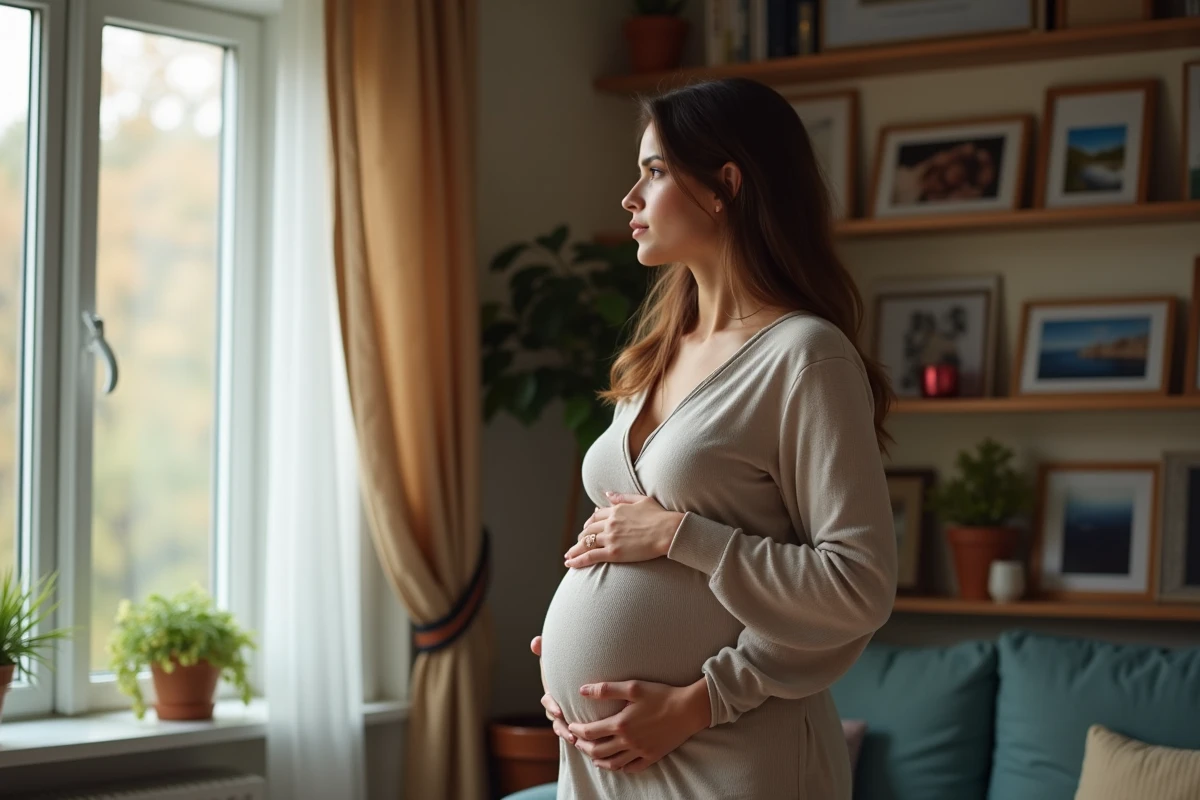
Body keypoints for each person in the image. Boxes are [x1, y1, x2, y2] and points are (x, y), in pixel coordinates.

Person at [531, 77, 898, 799]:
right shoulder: (661, 349)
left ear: (725, 183)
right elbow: (624, 545)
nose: (630, 199)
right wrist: (568, 667)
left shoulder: (805, 356)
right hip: (605, 759)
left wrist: (698, 691)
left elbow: (857, 588)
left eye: (655, 171)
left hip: (728, 750)